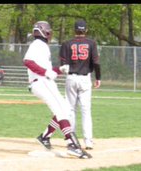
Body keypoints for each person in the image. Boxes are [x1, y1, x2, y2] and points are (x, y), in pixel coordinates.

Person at [25, 21, 90, 159]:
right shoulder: (38, 44)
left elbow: (47, 71)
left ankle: (45, 137)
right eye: (48, 30)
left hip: (44, 82)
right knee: (62, 110)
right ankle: (72, 144)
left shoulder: (42, 46)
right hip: (42, 83)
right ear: (44, 32)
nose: (50, 33)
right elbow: (28, 61)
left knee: (65, 108)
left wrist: (59, 70)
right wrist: (45, 72)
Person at [60, 19, 101, 150]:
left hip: (71, 77)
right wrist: (98, 77)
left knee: (70, 110)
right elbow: (96, 62)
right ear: (86, 30)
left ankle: (71, 140)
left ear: (74, 30)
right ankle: (88, 141)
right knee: (85, 110)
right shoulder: (91, 43)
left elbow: (63, 64)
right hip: (85, 78)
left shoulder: (67, 43)